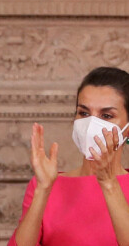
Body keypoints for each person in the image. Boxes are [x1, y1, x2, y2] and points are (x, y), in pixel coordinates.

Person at [8, 66, 129, 246]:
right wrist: (43, 189)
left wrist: (109, 183)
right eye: (84, 113)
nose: (91, 124)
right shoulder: (46, 183)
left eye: (106, 115)